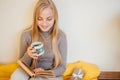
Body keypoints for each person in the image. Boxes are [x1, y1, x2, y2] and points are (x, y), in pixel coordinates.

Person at [10, 0, 67, 80]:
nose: (44, 23)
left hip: (50, 73)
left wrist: (44, 73)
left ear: (55, 18)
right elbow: (21, 64)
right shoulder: (26, 35)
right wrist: (28, 55)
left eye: (49, 19)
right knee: (15, 77)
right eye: (40, 19)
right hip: (29, 71)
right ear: (35, 18)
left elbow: (62, 68)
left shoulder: (61, 36)